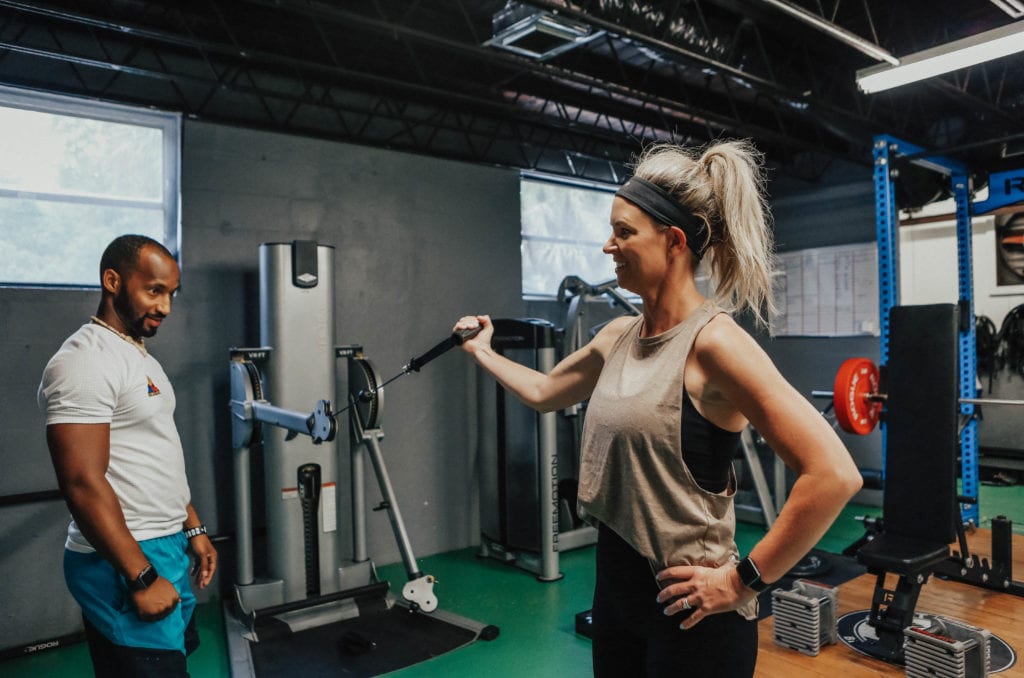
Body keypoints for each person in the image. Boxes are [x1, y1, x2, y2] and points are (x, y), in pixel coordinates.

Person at [455, 140, 862, 676]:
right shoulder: (619, 335)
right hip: (617, 595)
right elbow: (545, 391)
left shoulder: (715, 344)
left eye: (624, 232)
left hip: (694, 612)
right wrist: (482, 351)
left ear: (673, 242)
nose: (608, 245)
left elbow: (833, 474)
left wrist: (743, 581)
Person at [38, 234, 217, 677]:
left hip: (165, 542)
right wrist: (140, 575)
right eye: (153, 291)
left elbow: (154, 448)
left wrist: (189, 522)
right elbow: (81, 481)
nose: (165, 307)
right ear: (112, 281)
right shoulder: (84, 361)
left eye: (171, 294)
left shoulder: (137, 354)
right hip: (127, 554)